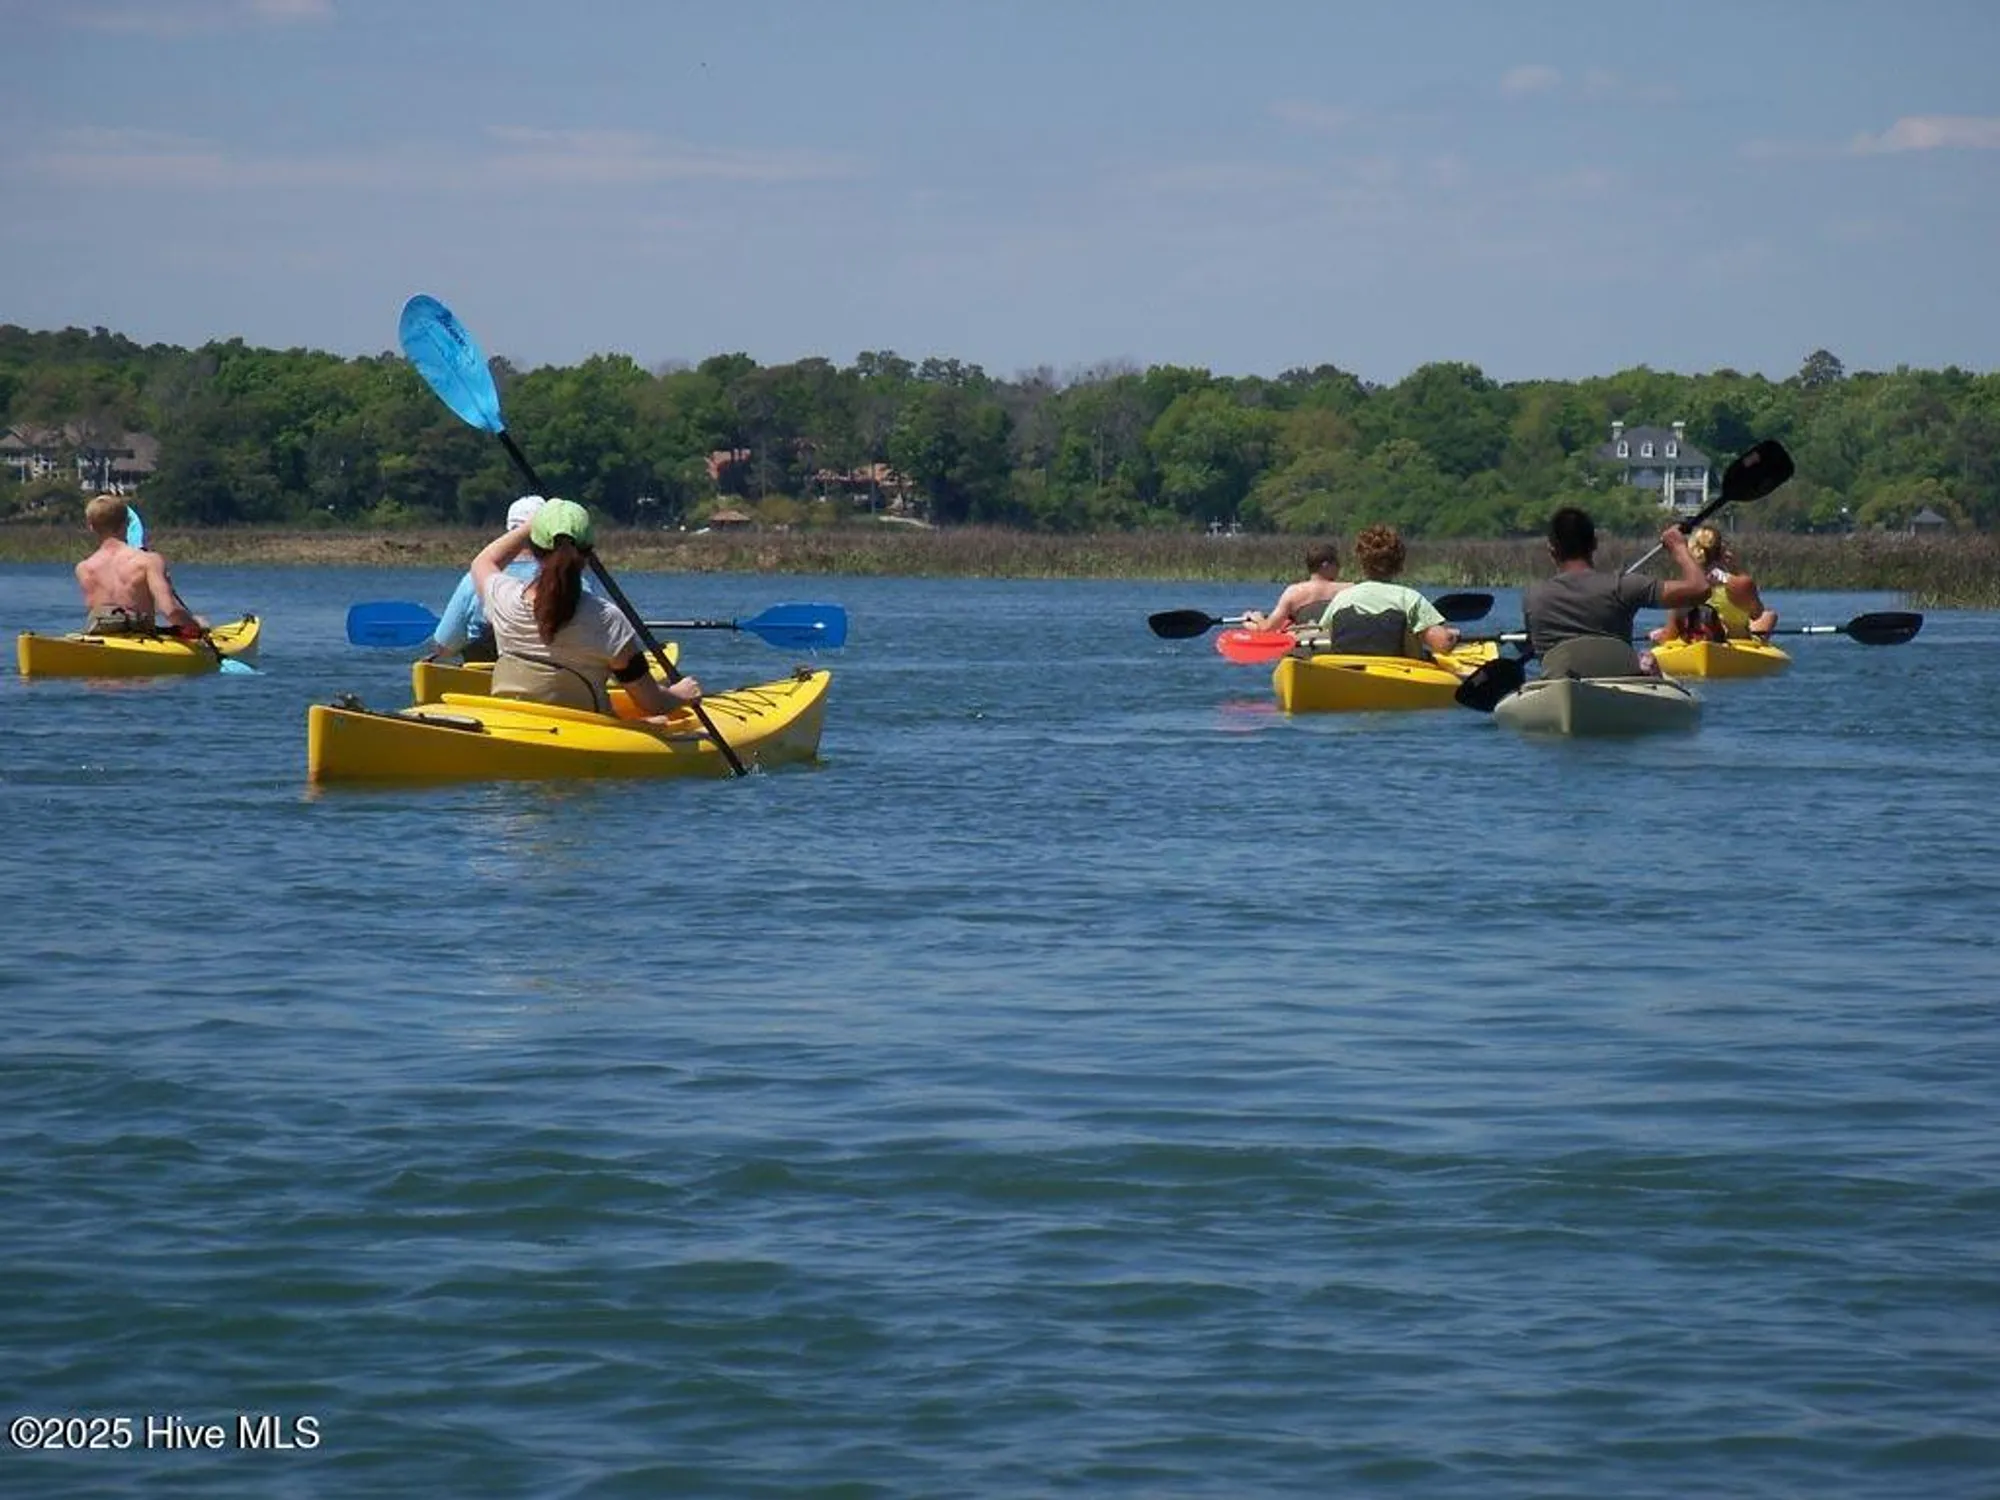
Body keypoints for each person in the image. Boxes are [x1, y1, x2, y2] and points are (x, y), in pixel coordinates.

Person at [471, 497, 701, 719]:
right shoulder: (607, 620)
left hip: (516, 726)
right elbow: (653, 703)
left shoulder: (503, 599)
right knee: (657, 720)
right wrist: (680, 695)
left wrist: (532, 525)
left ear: (532, 548)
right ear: (588, 554)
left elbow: (483, 561)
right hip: (585, 733)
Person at [1523, 507, 1711, 677]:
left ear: (1551, 550)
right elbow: (1700, 589)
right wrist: (1678, 548)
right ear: (1594, 544)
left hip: (1557, 689)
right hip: (1618, 686)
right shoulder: (1623, 587)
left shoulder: (1532, 598)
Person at [426, 494, 546, 663]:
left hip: (485, 680)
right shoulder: (572, 582)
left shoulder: (474, 580)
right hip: (552, 683)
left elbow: (444, 647)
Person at [1313, 523, 1461, 658]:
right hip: (1399, 674)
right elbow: (1442, 644)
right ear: (1399, 564)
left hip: (1348, 673)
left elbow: (1323, 637)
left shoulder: (1342, 599)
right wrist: (1452, 636)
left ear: (1362, 563)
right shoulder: (1409, 599)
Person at [74, 493, 202, 638]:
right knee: (199, 622)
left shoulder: (84, 568)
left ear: (91, 527)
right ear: (127, 523)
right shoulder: (149, 561)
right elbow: (171, 611)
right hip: (141, 638)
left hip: (103, 640)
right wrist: (195, 625)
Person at [1649, 525, 1778, 643]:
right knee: (1768, 615)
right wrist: (1735, 569)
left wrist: (1656, 636)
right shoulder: (1741, 583)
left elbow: (1669, 636)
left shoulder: (1682, 588)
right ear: (1722, 551)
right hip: (1737, 642)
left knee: (1662, 632)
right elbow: (1757, 614)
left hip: (1696, 642)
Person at [1242, 542, 1351, 632]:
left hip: (1306, 646)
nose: (1339, 567)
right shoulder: (1349, 589)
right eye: (1337, 563)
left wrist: (1255, 620)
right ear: (1325, 565)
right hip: (1337, 645)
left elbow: (1266, 629)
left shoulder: (1294, 592)